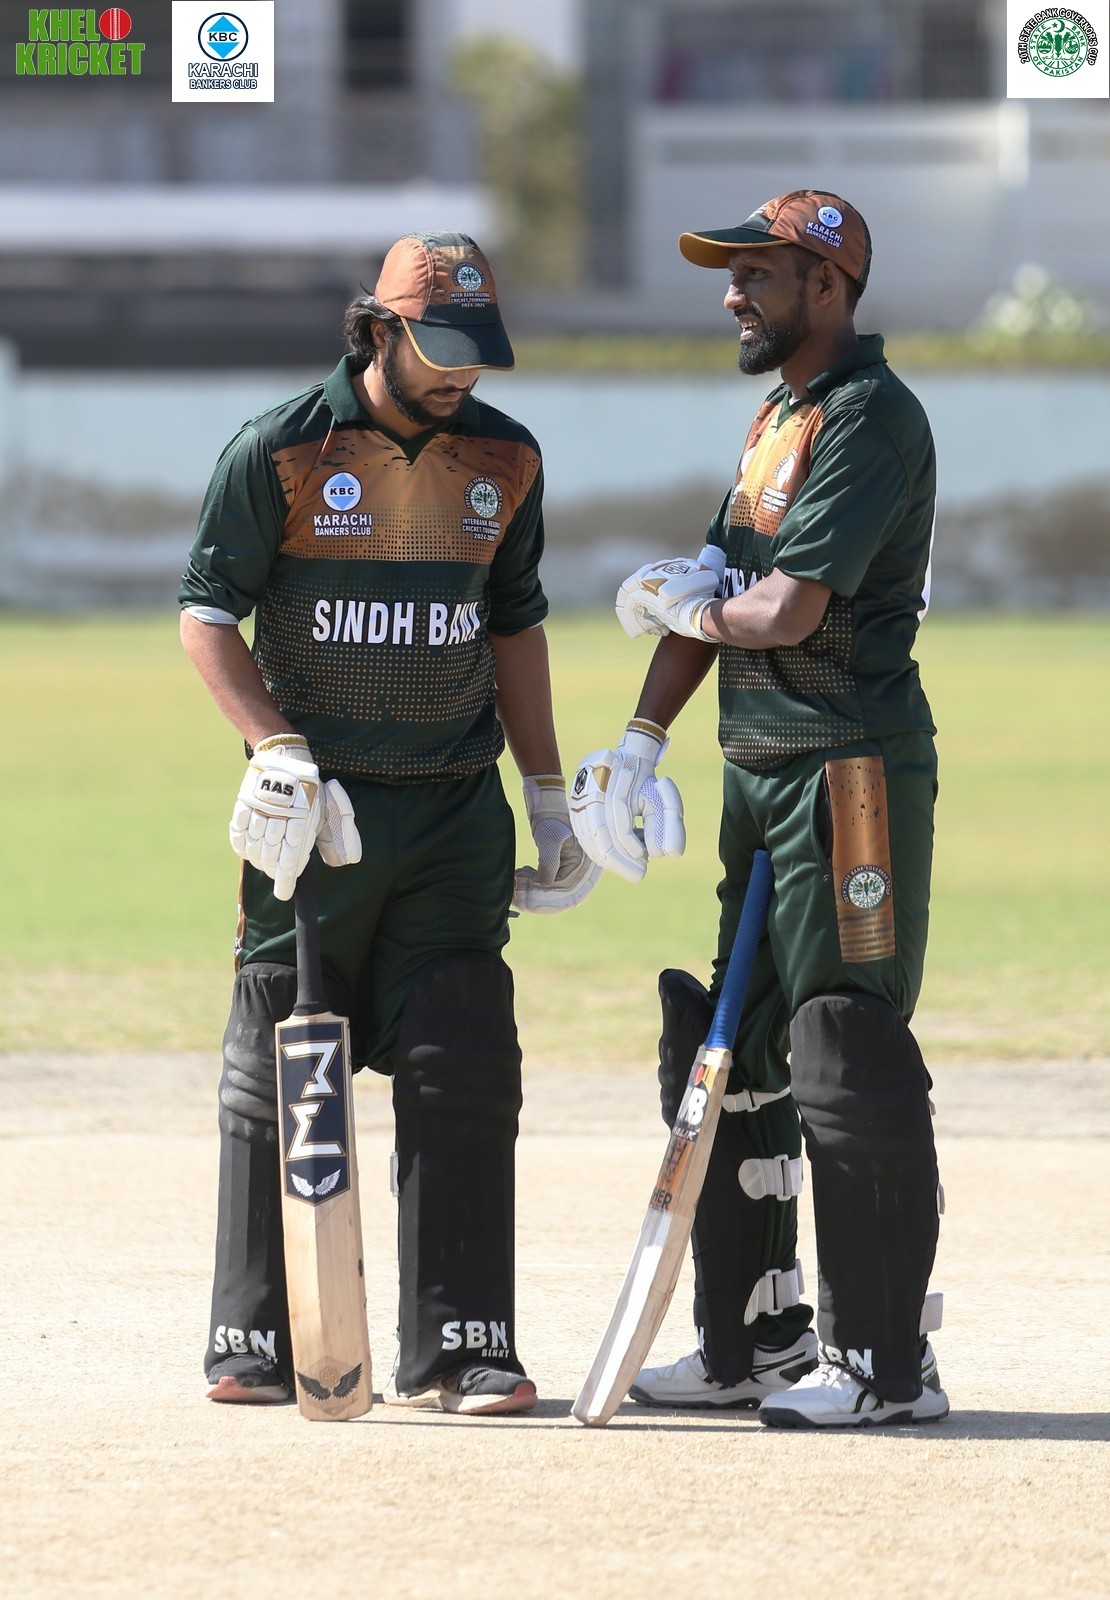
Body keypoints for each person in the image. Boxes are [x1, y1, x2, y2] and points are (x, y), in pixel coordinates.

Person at [180, 231, 598, 1418]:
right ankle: (260, 1331)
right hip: (318, 816)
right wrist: (277, 749)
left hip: (456, 811)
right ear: (379, 329)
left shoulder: (506, 457)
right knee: (282, 1058)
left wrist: (547, 793)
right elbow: (208, 614)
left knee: (464, 1060)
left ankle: (463, 1342)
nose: (462, 372)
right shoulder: (280, 450)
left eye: (478, 351)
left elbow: (513, 623)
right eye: (439, 347)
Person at [570, 191, 948, 1428]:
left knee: (843, 1044)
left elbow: (783, 610)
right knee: (729, 1045)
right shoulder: (781, 417)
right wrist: (639, 741)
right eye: (731, 274)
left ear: (828, 286)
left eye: (758, 274)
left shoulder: (872, 417)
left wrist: (686, 606)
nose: (732, 293)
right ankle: (755, 1342)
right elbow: (715, 585)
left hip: (848, 772)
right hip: (761, 768)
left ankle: (888, 1364)